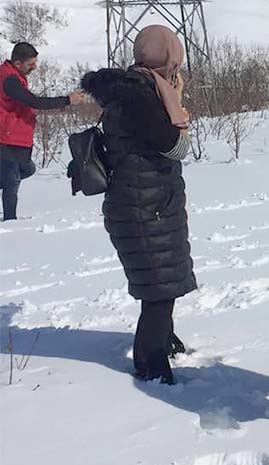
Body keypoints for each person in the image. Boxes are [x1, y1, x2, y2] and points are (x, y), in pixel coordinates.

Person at [81, 25, 195, 385]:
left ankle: (163, 339)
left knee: (165, 279)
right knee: (159, 287)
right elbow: (173, 145)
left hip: (149, 200)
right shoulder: (143, 97)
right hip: (144, 205)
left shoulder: (139, 88)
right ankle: (150, 363)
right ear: (167, 56)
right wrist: (182, 125)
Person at [0, 42, 84, 221]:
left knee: (27, 169)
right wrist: (66, 100)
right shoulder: (9, 80)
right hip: (6, 138)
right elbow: (33, 101)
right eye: (31, 64)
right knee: (12, 179)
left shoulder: (13, 77)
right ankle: (10, 222)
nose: (34, 68)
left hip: (15, 138)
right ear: (17, 63)